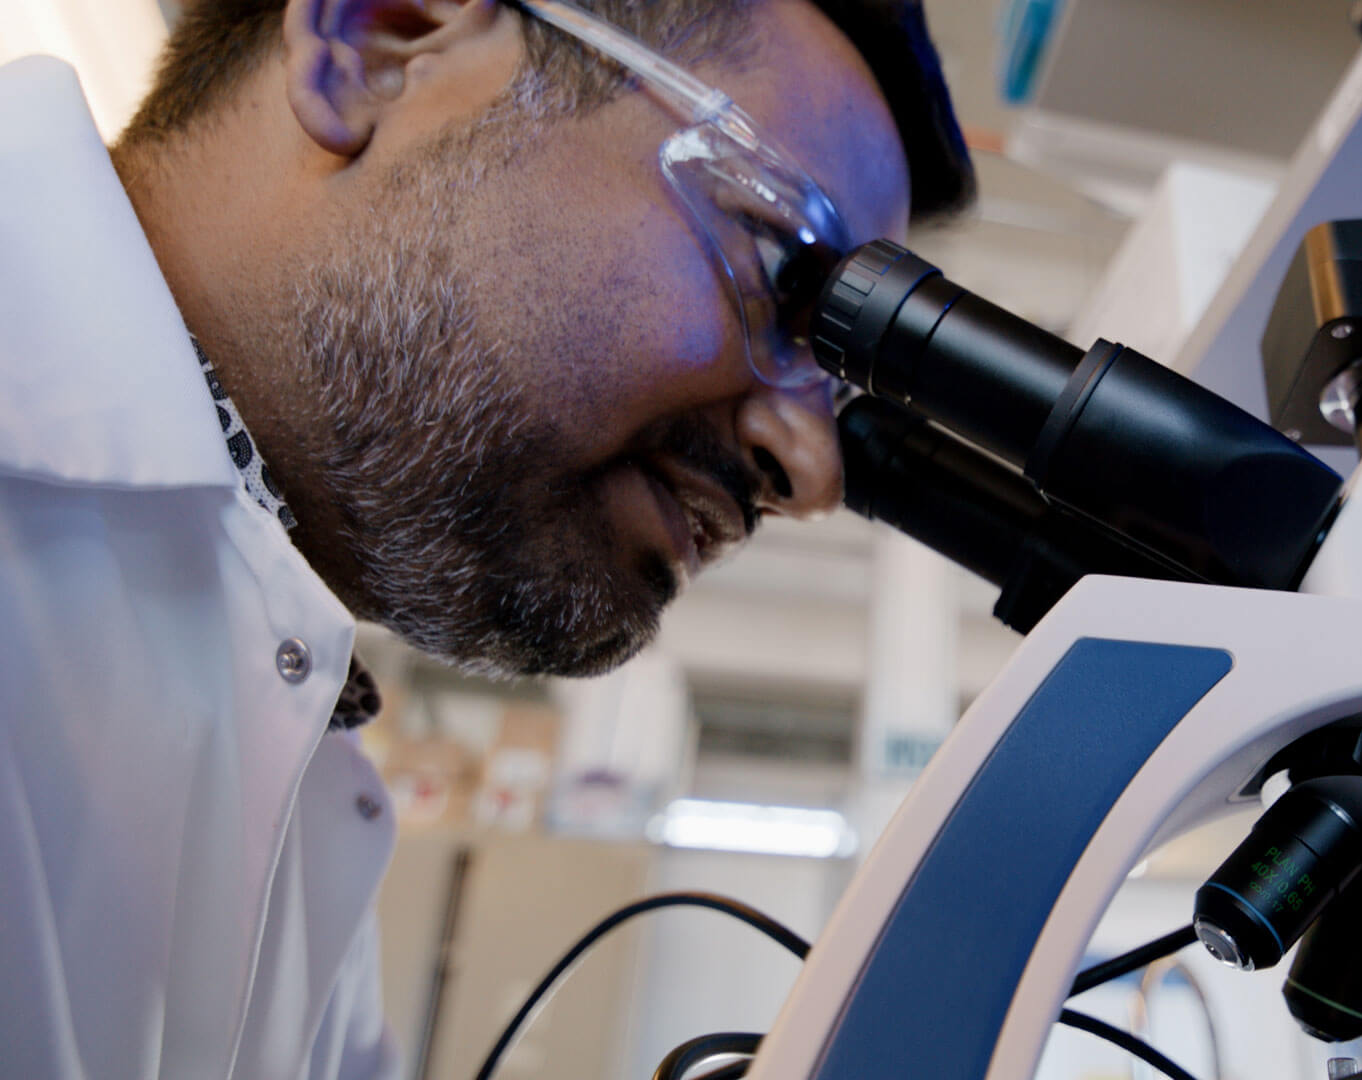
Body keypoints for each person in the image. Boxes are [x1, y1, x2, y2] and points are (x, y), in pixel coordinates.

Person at [0, 0, 972, 1075]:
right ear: (377, 46)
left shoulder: (304, 771)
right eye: (780, 270)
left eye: (831, 382)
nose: (810, 470)